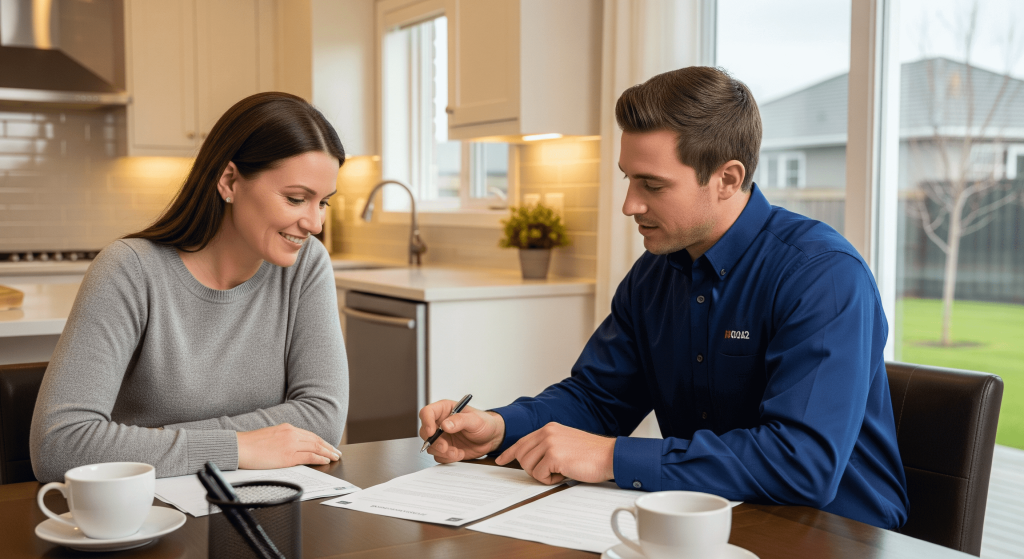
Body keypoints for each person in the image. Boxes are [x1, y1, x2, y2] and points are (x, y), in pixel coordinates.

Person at [418, 67, 910, 529]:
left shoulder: (822, 276)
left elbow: (802, 464)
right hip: (706, 522)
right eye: (629, 179)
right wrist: (500, 426)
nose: (630, 204)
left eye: (652, 185)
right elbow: (597, 398)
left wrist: (611, 457)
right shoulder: (653, 275)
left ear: (727, 179)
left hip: (835, 533)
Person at [30, 92, 348, 482]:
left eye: (323, 203)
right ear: (229, 181)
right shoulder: (130, 270)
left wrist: (150, 444)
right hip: (147, 508)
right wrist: (238, 447)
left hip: (257, 501)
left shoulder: (306, 265)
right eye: (296, 199)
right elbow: (60, 445)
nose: (315, 224)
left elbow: (322, 418)